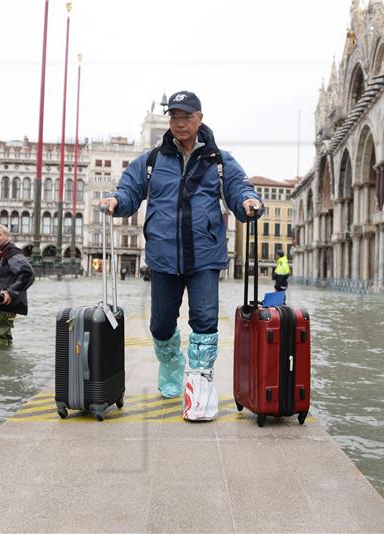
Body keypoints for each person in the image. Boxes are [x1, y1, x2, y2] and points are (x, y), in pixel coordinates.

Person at [99, 90, 263, 405]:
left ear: (200, 118)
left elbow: (238, 188)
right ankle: (172, 365)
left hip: (205, 255)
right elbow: (130, 190)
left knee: (204, 320)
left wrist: (249, 201)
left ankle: (199, 382)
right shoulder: (151, 160)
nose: (180, 123)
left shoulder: (220, 161)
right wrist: (116, 201)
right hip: (163, 256)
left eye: (186, 116)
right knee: (160, 324)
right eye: (174, 117)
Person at [0, 224, 35, 347]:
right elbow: (4, 279)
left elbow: (28, 273)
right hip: (3, 302)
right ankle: (5, 362)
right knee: (3, 335)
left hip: (6, 302)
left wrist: (10, 292)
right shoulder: (0, 253)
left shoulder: (11, 253)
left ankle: (0, 365)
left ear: (6, 236)